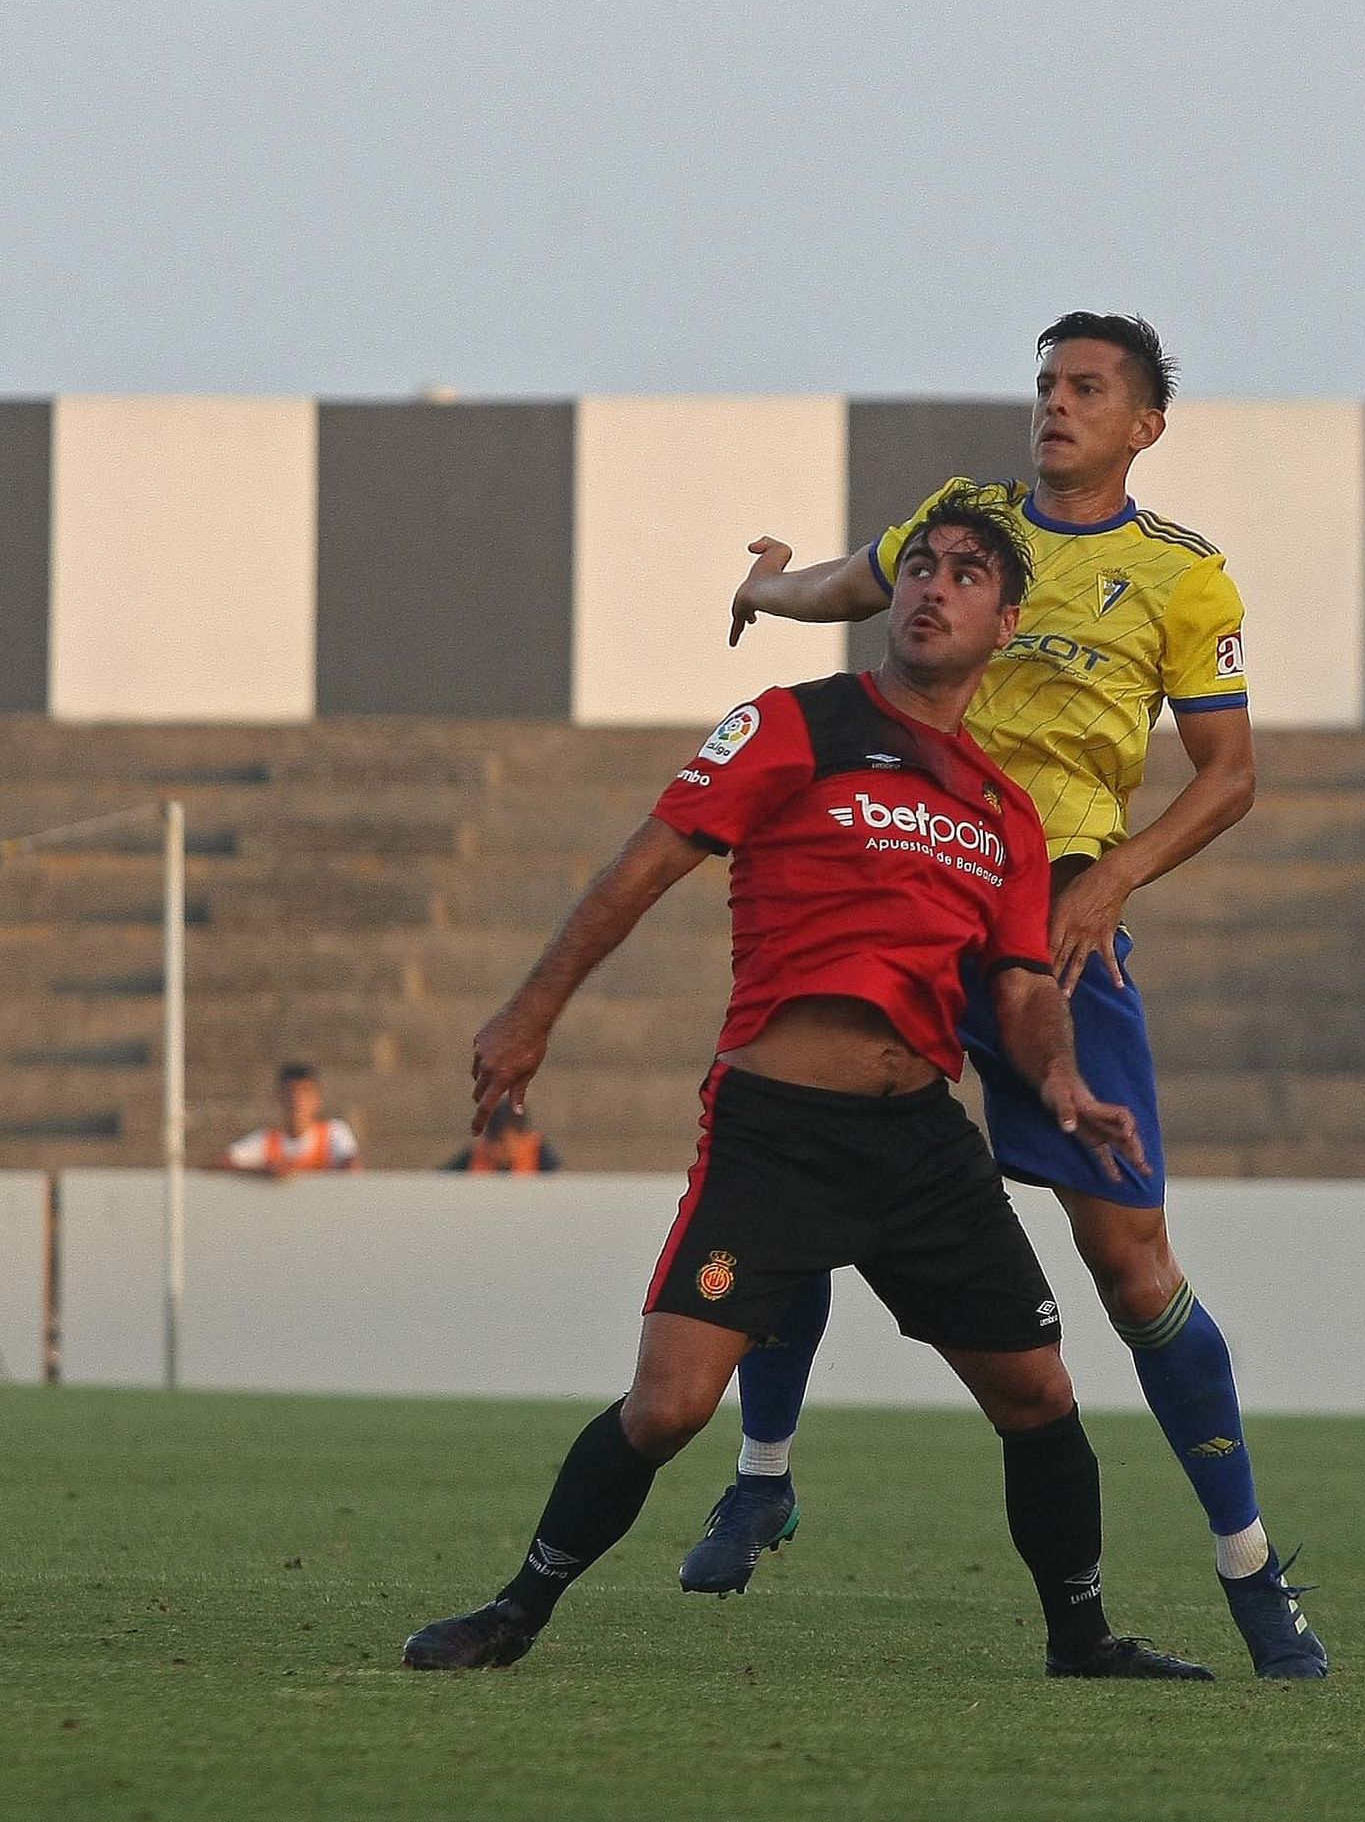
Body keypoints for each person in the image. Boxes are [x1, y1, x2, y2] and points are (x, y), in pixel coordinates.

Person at [402, 493, 1210, 1682]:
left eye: (966, 575)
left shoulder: (1004, 809)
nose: (934, 586)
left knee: (1039, 1395)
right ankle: (517, 1610)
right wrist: (531, 1011)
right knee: (669, 1406)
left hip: (919, 1147)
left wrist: (1061, 1081)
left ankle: (1081, 1641)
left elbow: (1025, 984)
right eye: (920, 566)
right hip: (775, 1133)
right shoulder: (794, 723)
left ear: (1008, 622)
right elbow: (644, 867)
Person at [685, 312, 1327, 1681]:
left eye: (1089, 387)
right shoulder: (967, 526)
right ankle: (761, 1473)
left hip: (1061, 913)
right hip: (910, 888)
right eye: (1047, 382)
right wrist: (773, 583)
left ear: (1146, 422)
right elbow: (855, 586)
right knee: (801, 1160)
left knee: (1131, 1263)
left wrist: (1112, 884)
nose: (1057, 403)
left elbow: (1230, 774)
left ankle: (1253, 1569)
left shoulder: (1183, 577)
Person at [219, 1063, 360, 1175]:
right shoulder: (267, 1139)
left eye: (305, 1092)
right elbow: (221, 1163)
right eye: (290, 1093)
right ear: (279, 1098)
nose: (297, 1100)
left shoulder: (333, 1132)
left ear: (317, 1099)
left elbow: (351, 1165)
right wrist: (263, 1171)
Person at [440, 1099, 562, 1173]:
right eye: (492, 1142)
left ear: (522, 1137)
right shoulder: (472, 1157)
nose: (497, 1149)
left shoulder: (542, 1156)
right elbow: (440, 1180)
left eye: (504, 1141)